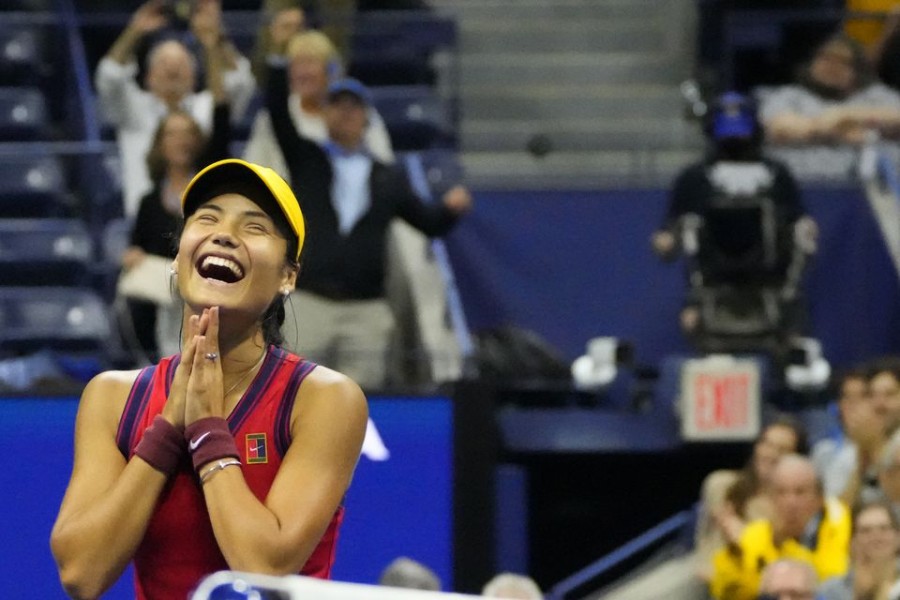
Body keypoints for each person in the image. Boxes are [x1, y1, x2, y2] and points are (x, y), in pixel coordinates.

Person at [49, 158, 368, 599]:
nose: (224, 234)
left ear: (287, 277)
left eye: (254, 227)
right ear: (178, 259)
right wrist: (165, 430)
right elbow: (81, 575)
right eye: (207, 218)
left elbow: (264, 568)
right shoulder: (112, 397)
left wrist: (206, 429)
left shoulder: (324, 399)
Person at [264, 53, 472, 389]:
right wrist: (277, 62)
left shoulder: (387, 176)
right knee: (292, 394)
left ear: (366, 117)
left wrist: (450, 210)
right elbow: (278, 115)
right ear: (325, 114)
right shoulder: (308, 160)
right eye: (337, 105)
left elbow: (429, 223)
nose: (346, 112)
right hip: (309, 301)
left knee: (358, 402)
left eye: (354, 106)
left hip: (367, 309)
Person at [651, 91, 817, 351]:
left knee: (801, 234)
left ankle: (788, 313)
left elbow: (800, 221)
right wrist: (667, 241)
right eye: (727, 134)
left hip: (772, 275)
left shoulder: (776, 174)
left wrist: (802, 231)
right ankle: (698, 307)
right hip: (712, 276)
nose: (735, 140)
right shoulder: (694, 177)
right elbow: (669, 231)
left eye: (741, 132)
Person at [119, 12, 234, 363]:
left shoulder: (209, 192)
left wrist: (212, 49)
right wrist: (133, 255)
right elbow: (137, 244)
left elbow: (222, 112)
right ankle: (150, 369)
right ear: (160, 144)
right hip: (158, 295)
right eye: (172, 135)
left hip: (204, 288)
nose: (181, 142)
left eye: (188, 135)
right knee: (131, 301)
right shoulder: (150, 199)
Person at [94, 0, 256, 217]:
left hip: (201, 221)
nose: (172, 70)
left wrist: (216, 36)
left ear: (194, 77)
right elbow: (109, 76)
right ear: (148, 77)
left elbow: (241, 83)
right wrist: (135, 30)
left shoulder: (206, 107)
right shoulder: (132, 109)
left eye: (180, 66)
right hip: (147, 224)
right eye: (164, 66)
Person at [244, 25, 395, 178]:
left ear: (330, 69)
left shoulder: (354, 114)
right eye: (296, 64)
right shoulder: (274, 116)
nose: (302, 72)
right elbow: (253, 165)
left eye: (310, 63)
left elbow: (383, 162)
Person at [758, 32, 900, 180]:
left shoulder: (876, 95)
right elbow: (781, 128)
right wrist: (842, 131)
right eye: (825, 58)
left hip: (875, 191)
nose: (831, 66)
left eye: (842, 61)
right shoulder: (789, 95)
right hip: (801, 187)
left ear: (858, 70)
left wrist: (845, 115)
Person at [709, 454, 851, 600]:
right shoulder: (752, 535)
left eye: (800, 492)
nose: (790, 502)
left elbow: (830, 580)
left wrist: (783, 546)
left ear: (819, 499)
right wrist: (735, 553)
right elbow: (723, 590)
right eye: (781, 492)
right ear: (768, 498)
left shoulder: (836, 525)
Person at [811, 365, 881, 501]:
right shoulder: (824, 452)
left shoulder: (891, 448)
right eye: (846, 397)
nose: (853, 404)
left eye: (862, 396)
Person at [819, 499, 900, 600]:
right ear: (852, 541)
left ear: (898, 536)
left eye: (884, 528)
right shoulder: (831, 590)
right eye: (865, 531)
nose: (876, 537)